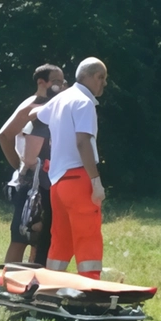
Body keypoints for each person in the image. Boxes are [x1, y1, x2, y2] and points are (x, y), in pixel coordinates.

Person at [37, 57, 108, 279]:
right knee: (87, 236)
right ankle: (91, 290)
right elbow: (82, 142)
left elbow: (38, 115)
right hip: (78, 178)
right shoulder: (84, 102)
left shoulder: (61, 98)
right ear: (92, 76)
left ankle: (49, 288)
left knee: (61, 240)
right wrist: (96, 182)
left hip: (58, 182)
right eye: (102, 78)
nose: (104, 84)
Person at [0, 63, 65, 263]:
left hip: (48, 181)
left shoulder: (51, 105)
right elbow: (4, 135)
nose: (60, 87)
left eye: (63, 82)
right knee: (20, 237)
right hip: (31, 184)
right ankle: (8, 283)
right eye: (56, 82)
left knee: (40, 238)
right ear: (41, 82)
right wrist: (18, 165)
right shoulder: (32, 106)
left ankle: (33, 282)